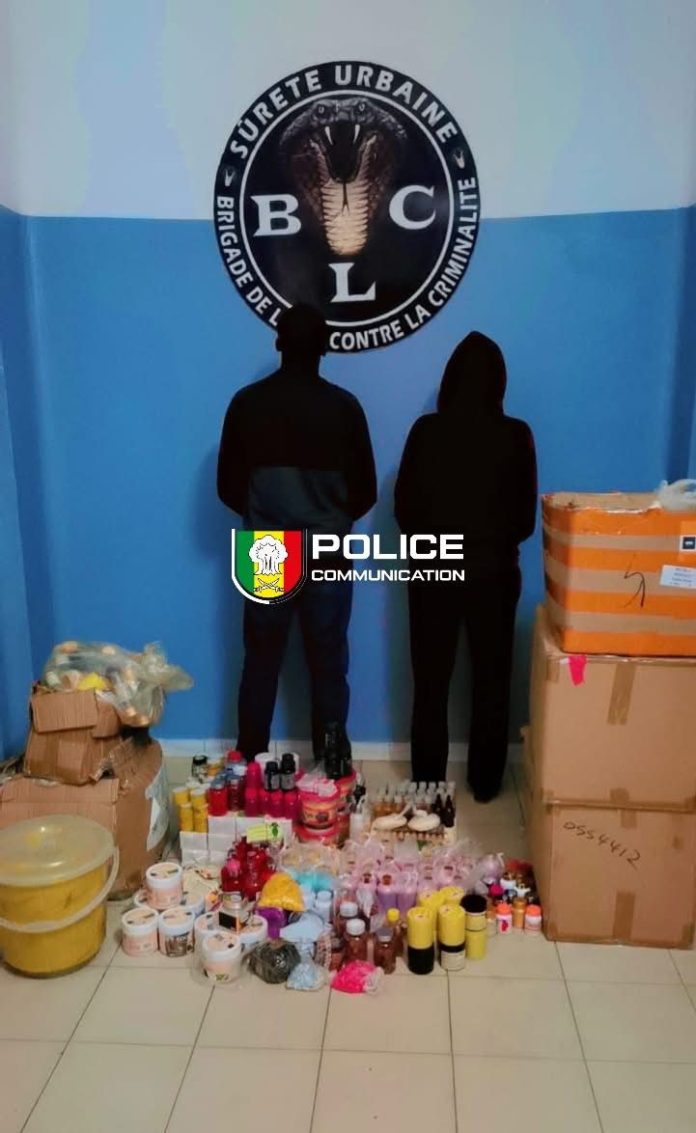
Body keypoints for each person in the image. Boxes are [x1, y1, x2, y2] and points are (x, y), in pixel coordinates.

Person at [217, 304, 377, 763]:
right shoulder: (344, 408)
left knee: (261, 659)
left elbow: (228, 486)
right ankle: (331, 766)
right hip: (328, 547)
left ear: (278, 344)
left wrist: (267, 518)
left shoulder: (247, 404)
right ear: (325, 348)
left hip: (267, 547)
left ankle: (250, 764)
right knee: (328, 662)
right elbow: (365, 491)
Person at [394, 331, 537, 801]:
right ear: (500, 381)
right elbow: (524, 520)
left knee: (430, 682)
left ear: (450, 379)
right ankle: (486, 782)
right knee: (492, 682)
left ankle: (428, 782)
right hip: (494, 570)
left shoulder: (426, 431)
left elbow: (404, 509)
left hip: (433, 569)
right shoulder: (516, 434)